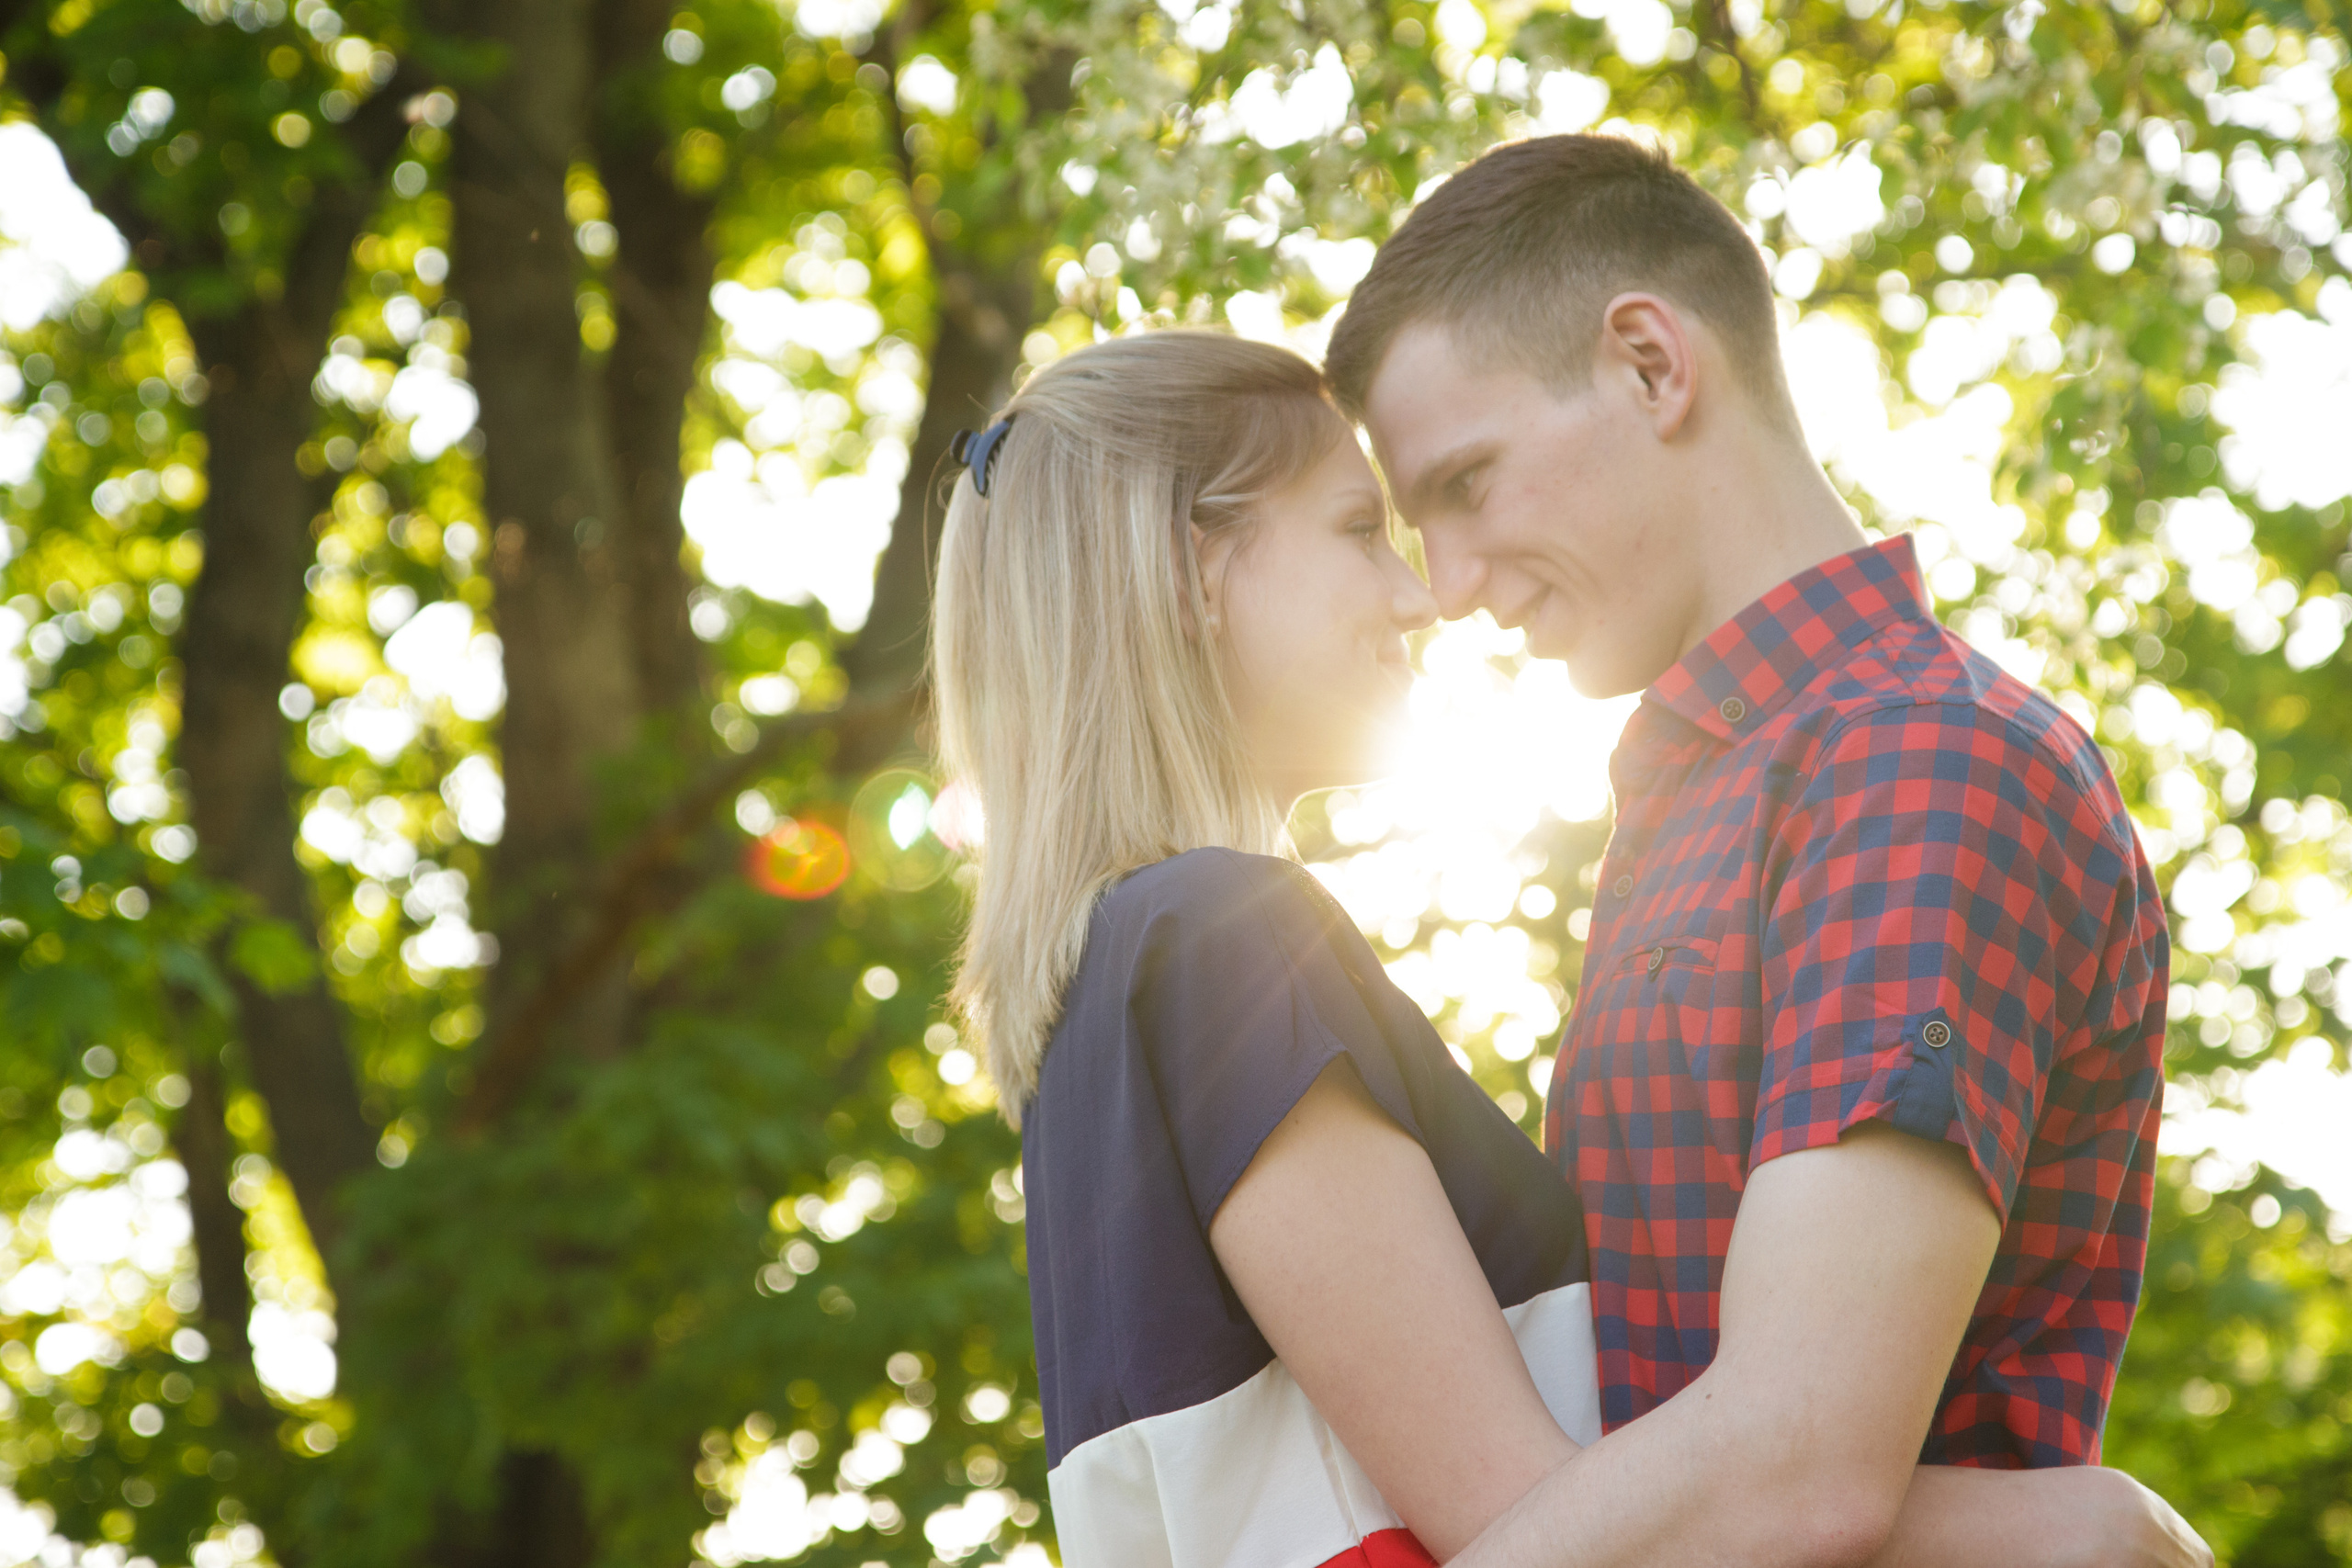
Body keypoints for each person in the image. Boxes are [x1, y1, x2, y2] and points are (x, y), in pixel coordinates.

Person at [927, 329, 2207, 1562]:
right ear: (1189, 569)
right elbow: (1528, 1520)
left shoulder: (1107, 989)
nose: (1421, 596)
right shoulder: (1220, 942)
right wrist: (2043, 1528)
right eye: (1361, 529)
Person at [1321, 133, 2189, 1562]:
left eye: (1466, 484)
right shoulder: (1714, 792)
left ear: (1650, 366)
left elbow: (1795, 1466)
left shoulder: (1914, 759)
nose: (1453, 588)